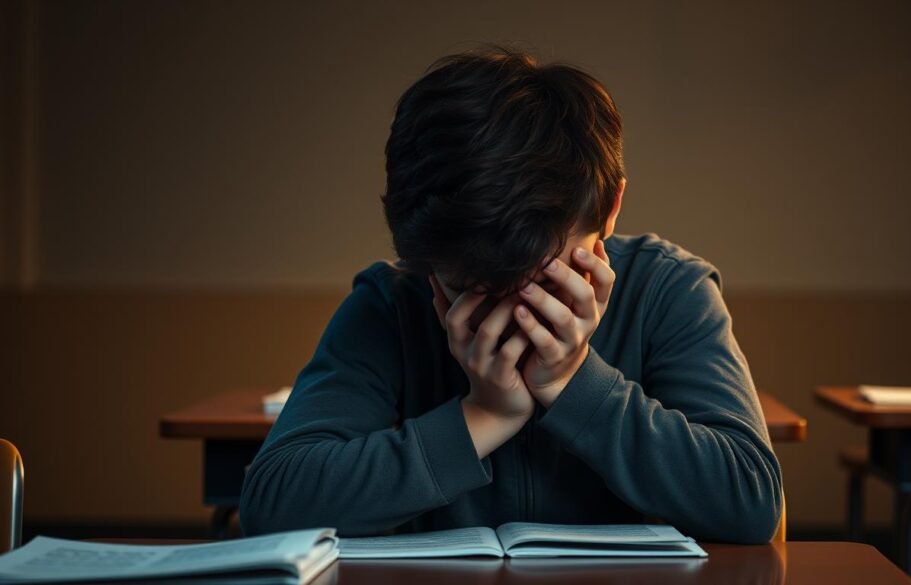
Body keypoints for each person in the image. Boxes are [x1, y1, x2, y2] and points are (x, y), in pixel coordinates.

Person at [239, 46, 783, 544]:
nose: (510, 318)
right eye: (469, 290)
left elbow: (749, 501)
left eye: (542, 282)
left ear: (611, 209)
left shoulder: (668, 289)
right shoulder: (390, 304)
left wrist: (573, 384)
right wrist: (484, 415)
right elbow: (273, 504)